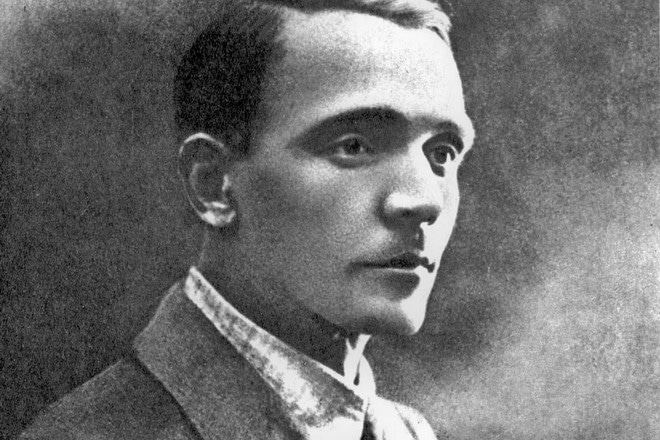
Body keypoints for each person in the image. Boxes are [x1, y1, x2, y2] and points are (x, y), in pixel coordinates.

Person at [21, 0, 474, 438]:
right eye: (353, 146)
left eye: (441, 153)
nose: (425, 200)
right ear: (213, 186)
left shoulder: (407, 431)